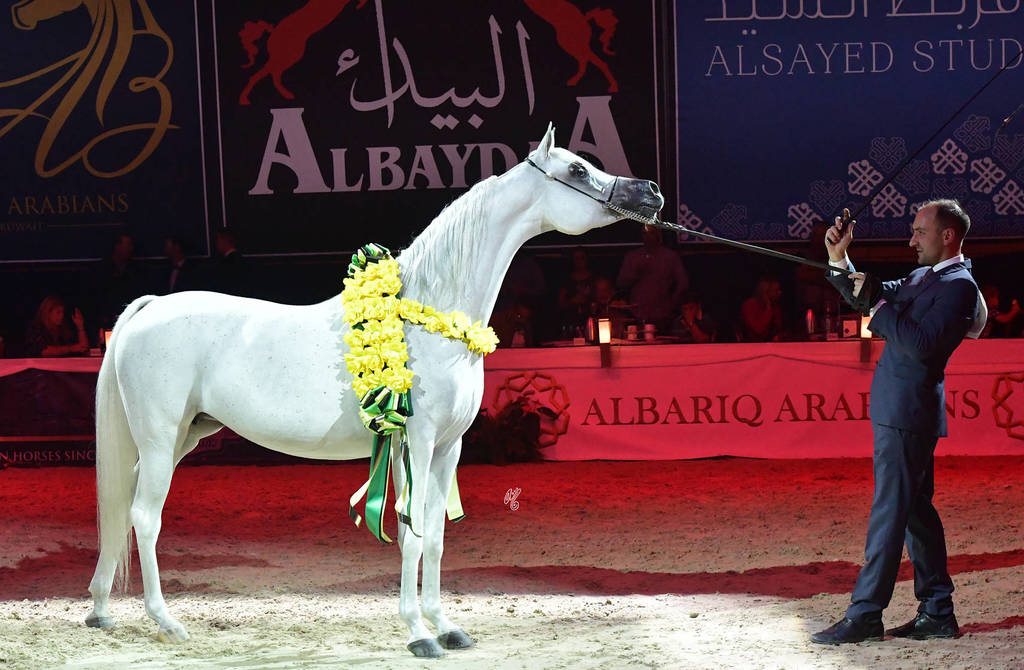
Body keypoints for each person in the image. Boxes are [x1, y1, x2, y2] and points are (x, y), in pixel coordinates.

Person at [811, 199, 986, 645]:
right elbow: (866, 291)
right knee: (914, 513)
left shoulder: (959, 287)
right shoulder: (924, 278)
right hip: (901, 410)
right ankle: (937, 612)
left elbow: (923, 344)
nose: (911, 240)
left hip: (909, 412)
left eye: (919, 232)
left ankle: (867, 613)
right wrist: (838, 258)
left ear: (947, 236)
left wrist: (880, 309)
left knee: (891, 511)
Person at [616, 225, 688, 335]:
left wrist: (672, 304)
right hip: (637, 314)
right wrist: (636, 274)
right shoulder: (633, 257)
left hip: (663, 314)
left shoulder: (670, 256)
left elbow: (683, 283)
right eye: (645, 233)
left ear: (658, 234)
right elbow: (620, 283)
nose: (648, 237)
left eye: (651, 233)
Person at [739, 276, 782, 341]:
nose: (779, 293)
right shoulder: (749, 305)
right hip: (752, 346)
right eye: (776, 290)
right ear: (765, 292)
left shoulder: (775, 306)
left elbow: (778, 329)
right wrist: (768, 309)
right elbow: (758, 330)